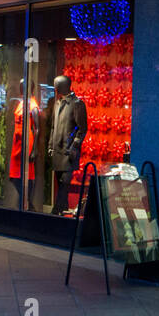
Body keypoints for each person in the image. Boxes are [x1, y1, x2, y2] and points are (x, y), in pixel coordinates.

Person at [47, 75, 87, 215]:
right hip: (57, 151)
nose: (55, 88)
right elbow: (53, 126)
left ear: (63, 87)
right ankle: (62, 210)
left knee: (65, 183)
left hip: (69, 152)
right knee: (60, 182)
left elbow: (82, 129)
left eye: (56, 85)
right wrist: (50, 145)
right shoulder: (57, 103)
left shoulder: (77, 103)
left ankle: (56, 211)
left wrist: (74, 147)